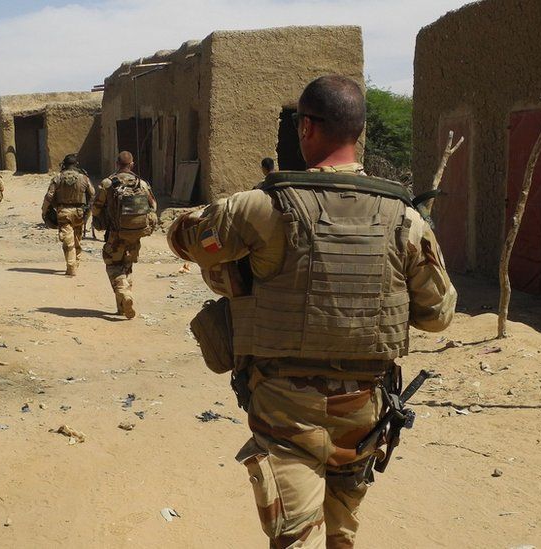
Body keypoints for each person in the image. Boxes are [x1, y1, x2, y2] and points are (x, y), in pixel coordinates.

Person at [167, 75, 457, 548]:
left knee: (294, 537)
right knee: (343, 532)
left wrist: (224, 251)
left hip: (285, 408)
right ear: (359, 131)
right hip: (365, 407)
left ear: (305, 128)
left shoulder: (262, 207)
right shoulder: (405, 219)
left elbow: (190, 243)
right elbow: (437, 315)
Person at [91, 151, 157, 319]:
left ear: (116, 163)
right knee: (127, 265)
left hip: (116, 234)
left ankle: (124, 293)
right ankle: (122, 308)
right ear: (132, 165)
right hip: (136, 235)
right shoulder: (141, 183)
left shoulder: (108, 183)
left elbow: (96, 207)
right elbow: (153, 206)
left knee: (112, 264)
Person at [42, 153, 95, 276]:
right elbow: (92, 194)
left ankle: (71, 266)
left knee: (68, 239)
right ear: (76, 165)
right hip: (79, 212)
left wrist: (44, 210)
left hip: (63, 212)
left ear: (64, 165)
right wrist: (89, 211)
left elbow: (49, 196)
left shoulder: (58, 178)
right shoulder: (84, 178)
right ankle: (76, 261)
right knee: (77, 237)